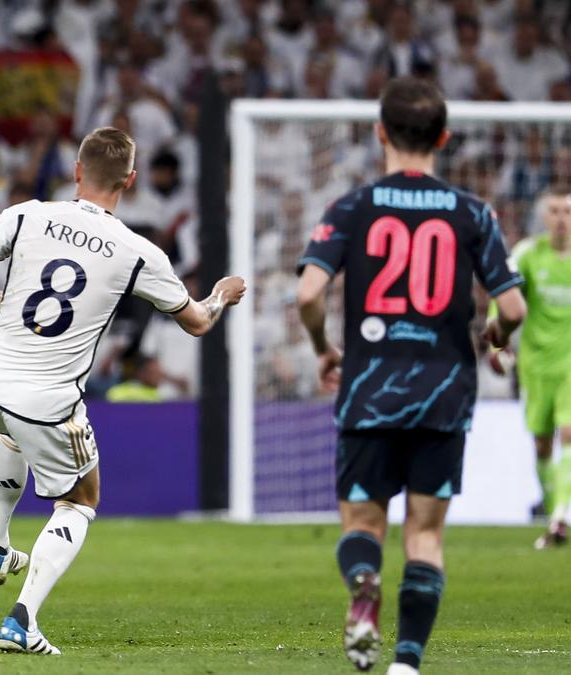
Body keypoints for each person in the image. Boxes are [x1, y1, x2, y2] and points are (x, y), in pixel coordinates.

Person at [0, 126, 245, 655]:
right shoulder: (137, 251)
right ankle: (22, 620)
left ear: (77, 171)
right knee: (80, 501)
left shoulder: (28, 213)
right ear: (129, 179)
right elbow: (197, 322)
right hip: (47, 398)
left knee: (12, 434)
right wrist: (220, 295)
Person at [296, 77, 527, 674]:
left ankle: (364, 583)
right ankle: (405, 665)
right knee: (424, 537)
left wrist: (324, 347)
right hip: (444, 391)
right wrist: (496, 339)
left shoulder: (352, 206)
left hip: (370, 386)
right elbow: (513, 309)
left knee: (364, 523)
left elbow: (308, 295)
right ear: (444, 138)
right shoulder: (472, 211)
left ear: (380, 134)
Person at [490, 189, 571, 549]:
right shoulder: (527, 253)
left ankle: (560, 518)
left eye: (567, 211)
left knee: (568, 433)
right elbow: (503, 295)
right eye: (554, 211)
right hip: (536, 365)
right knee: (541, 443)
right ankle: (553, 508)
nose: (561, 218)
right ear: (544, 217)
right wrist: (497, 340)